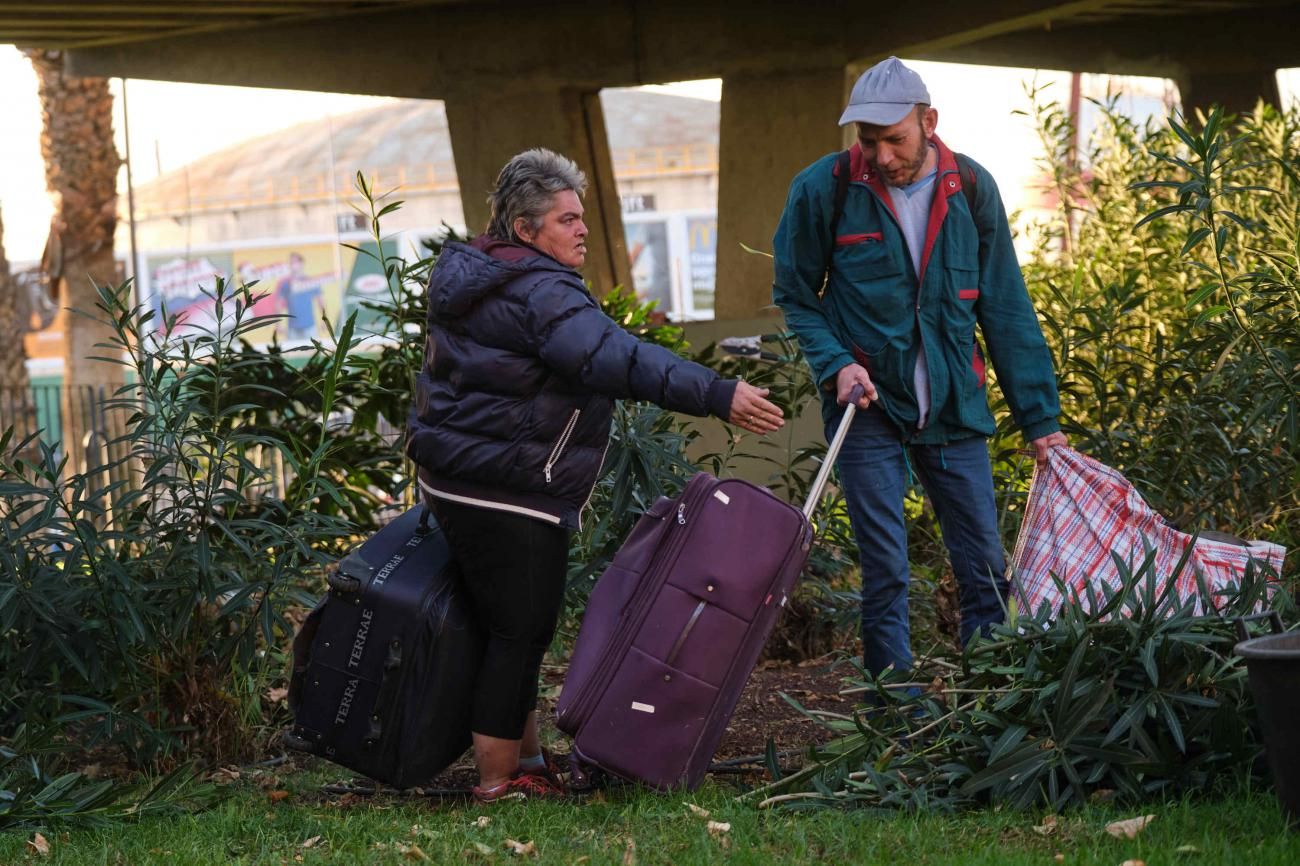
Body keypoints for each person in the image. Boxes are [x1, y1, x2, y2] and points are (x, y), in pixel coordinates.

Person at [406, 147, 785, 803]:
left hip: (460, 475)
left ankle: (524, 762)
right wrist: (717, 394)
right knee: (519, 633)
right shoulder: (541, 290)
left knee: (507, 630)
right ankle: (499, 783)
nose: (582, 229)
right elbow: (615, 357)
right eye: (567, 219)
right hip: (510, 485)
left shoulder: (481, 274)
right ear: (527, 231)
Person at [771, 57, 1067, 679]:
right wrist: (835, 366)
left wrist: (1041, 419)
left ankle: (988, 705)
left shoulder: (974, 189)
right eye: (867, 140)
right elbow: (796, 294)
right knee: (886, 573)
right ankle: (894, 718)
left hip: (955, 405)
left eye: (894, 139)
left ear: (928, 122)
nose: (880, 155)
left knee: (986, 568)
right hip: (867, 405)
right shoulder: (823, 188)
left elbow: (1007, 307)